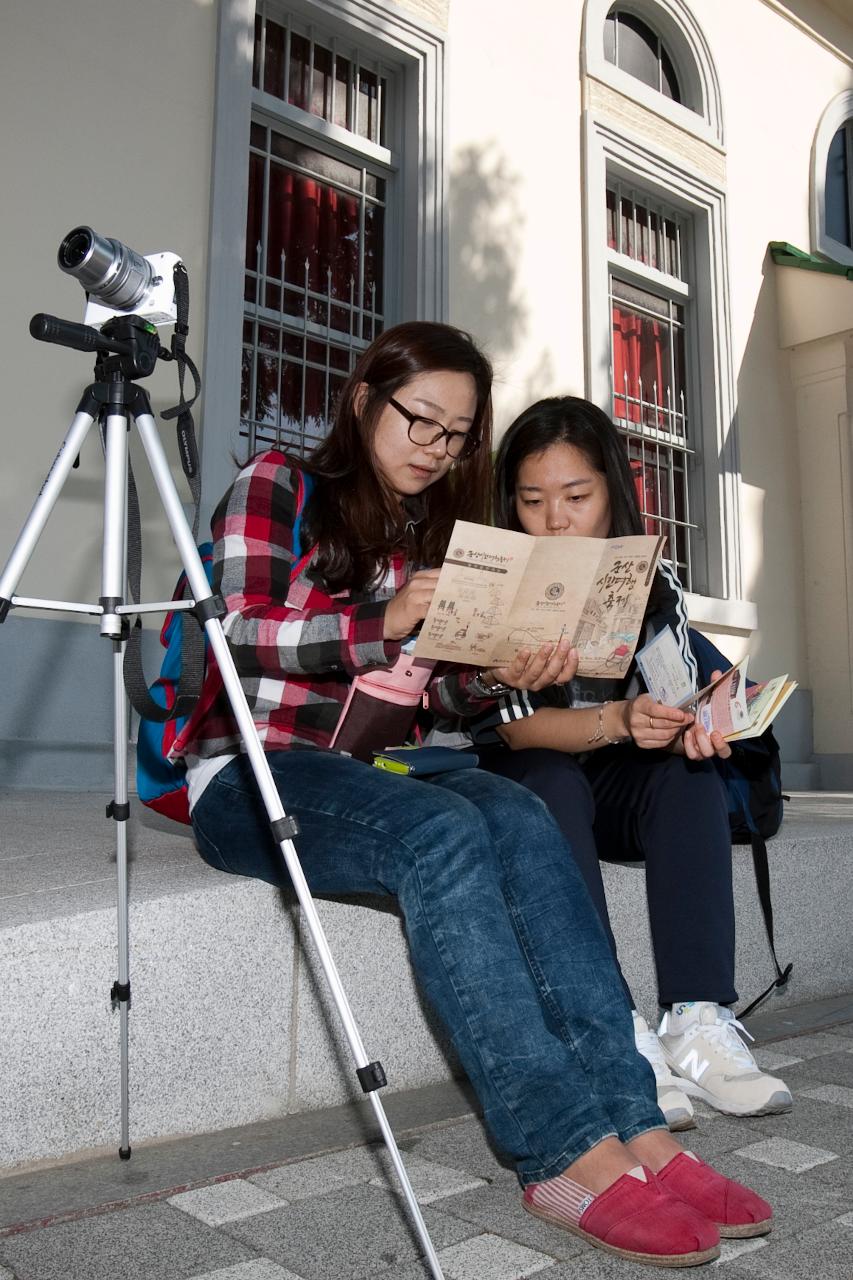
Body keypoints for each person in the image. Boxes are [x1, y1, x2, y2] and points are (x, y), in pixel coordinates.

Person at [172, 327, 772, 1265]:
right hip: (252, 770)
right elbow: (236, 630)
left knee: (520, 812)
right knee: (446, 837)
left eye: (455, 435)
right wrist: (387, 617)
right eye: (421, 419)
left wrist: (500, 675)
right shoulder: (278, 485)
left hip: (373, 774)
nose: (435, 447)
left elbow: (443, 697)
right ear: (366, 396)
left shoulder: (436, 536)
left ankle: (633, 1122)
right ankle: (559, 1153)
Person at [473, 395, 792, 1130]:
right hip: (527, 776)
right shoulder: (500, 583)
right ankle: (612, 1030)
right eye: (532, 500)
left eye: (576, 497)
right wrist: (619, 718)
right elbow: (517, 734)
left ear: (612, 490)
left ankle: (697, 1021)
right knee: (551, 783)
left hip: (613, 776)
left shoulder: (652, 580)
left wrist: (697, 723)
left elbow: (674, 687)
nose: (555, 519)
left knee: (687, 775)